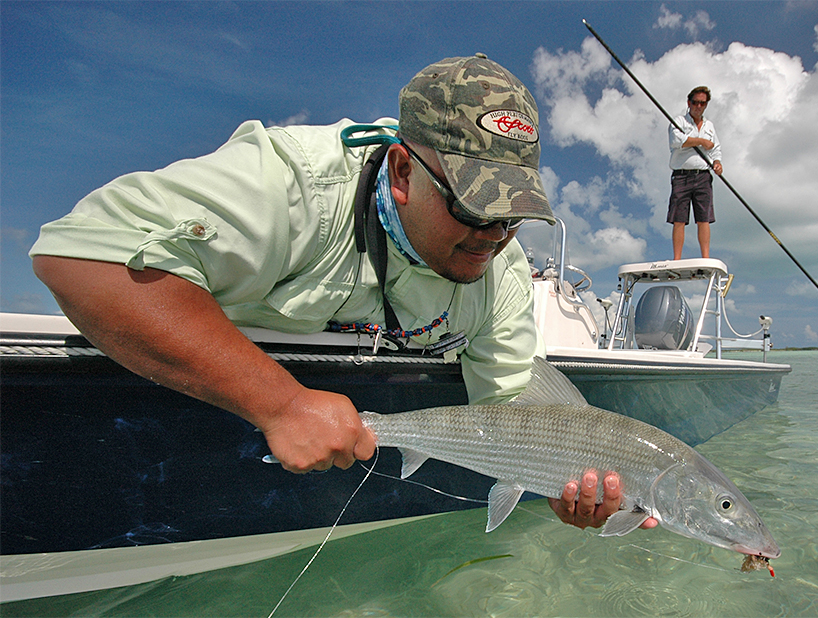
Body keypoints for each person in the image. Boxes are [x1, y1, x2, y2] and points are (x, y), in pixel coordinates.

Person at [30, 54, 654, 532]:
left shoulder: (503, 276)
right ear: (404, 171)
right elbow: (80, 257)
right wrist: (278, 402)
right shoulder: (296, 183)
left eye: (511, 216)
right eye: (473, 206)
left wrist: (564, 487)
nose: (492, 237)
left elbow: (523, 424)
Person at [667, 85, 723, 260]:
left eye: (703, 103)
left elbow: (716, 149)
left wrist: (717, 163)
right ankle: (677, 259)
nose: (699, 106)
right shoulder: (679, 121)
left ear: (706, 105)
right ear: (689, 103)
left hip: (703, 176)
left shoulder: (710, 126)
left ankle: (705, 257)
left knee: (704, 218)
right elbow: (677, 141)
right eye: (695, 102)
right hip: (681, 175)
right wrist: (701, 142)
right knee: (679, 218)